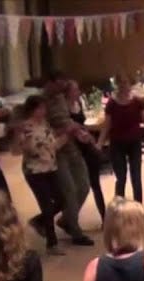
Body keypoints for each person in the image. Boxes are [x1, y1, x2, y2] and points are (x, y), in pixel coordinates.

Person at [11, 96, 72, 252]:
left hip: (50, 168)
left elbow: (53, 146)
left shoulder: (45, 125)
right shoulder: (25, 127)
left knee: (62, 200)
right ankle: (52, 244)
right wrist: (25, 143)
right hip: (34, 171)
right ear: (34, 110)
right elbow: (19, 150)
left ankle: (38, 221)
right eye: (41, 108)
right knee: (46, 205)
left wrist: (66, 136)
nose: (44, 111)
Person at [43, 71, 97, 244]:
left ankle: (66, 219)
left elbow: (68, 121)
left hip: (71, 146)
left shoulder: (60, 98)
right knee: (69, 191)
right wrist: (67, 130)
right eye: (59, 84)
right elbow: (42, 130)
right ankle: (75, 231)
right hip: (56, 151)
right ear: (50, 83)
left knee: (84, 185)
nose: (62, 88)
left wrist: (79, 132)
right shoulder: (40, 103)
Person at [100, 72, 144, 203]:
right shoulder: (111, 103)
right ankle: (118, 208)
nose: (124, 86)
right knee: (121, 178)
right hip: (117, 142)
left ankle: (139, 208)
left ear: (130, 84)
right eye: (121, 83)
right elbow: (106, 125)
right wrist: (99, 143)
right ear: (117, 85)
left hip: (134, 142)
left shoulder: (136, 101)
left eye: (126, 82)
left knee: (136, 178)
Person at [65, 79, 107, 221]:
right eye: (75, 90)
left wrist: (88, 136)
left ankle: (104, 217)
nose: (78, 92)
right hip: (74, 147)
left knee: (95, 183)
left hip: (85, 145)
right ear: (68, 92)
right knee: (78, 187)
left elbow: (82, 124)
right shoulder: (64, 108)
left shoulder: (78, 104)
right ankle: (69, 219)